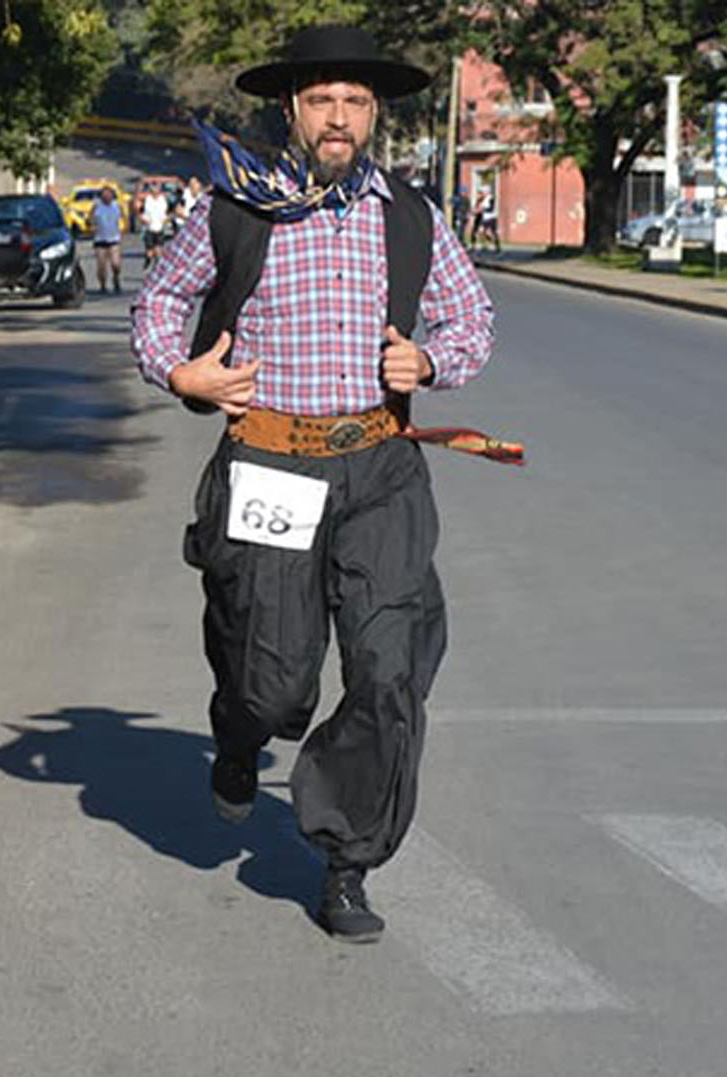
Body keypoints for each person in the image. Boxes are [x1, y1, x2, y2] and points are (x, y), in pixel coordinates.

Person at [131, 25, 494, 943]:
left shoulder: (408, 215)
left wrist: (431, 360)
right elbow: (161, 304)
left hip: (380, 468)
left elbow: (472, 320)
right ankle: (241, 735)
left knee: (388, 672)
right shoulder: (236, 211)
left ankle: (345, 860)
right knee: (274, 682)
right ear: (291, 109)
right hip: (270, 463)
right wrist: (184, 375)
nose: (340, 118)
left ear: (374, 115)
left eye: (356, 103)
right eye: (324, 101)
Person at [91, 185, 125, 293]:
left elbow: (124, 217)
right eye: (104, 195)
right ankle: (103, 285)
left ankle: (116, 278)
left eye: (109, 194)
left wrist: (123, 229)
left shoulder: (117, 206)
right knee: (101, 266)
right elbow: (90, 218)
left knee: (116, 264)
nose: (107, 197)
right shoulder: (97, 206)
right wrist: (92, 226)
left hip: (114, 239)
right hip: (100, 239)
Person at [140, 186, 172, 271]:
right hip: (149, 229)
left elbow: (168, 213)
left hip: (159, 229)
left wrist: (166, 219)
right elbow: (140, 213)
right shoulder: (147, 200)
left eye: (157, 191)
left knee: (158, 252)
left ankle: (156, 270)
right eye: (153, 191)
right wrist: (144, 219)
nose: (156, 193)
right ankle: (146, 266)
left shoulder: (163, 201)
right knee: (150, 254)